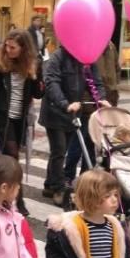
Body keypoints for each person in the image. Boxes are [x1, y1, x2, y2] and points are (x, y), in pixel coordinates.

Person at [39, 45, 106, 204]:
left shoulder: (87, 58)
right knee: (60, 150)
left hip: (73, 113)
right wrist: (64, 103)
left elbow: (97, 82)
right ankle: (58, 188)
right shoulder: (58, 56)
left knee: (60, 151)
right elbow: (51, 81)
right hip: (55, 112)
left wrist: (100, 98)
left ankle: (49, 183)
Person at [0, 29, 41, 214]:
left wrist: (38, 77)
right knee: (12, 156)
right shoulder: (1, 66)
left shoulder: (31, 65)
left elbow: (38, 93)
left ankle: (5, 197)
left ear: (23, 49)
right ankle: (18, 201)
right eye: (7, 46)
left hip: (20, 121)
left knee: (5, 161)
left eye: (13, 47)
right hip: (3, 119)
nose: (8, 50)